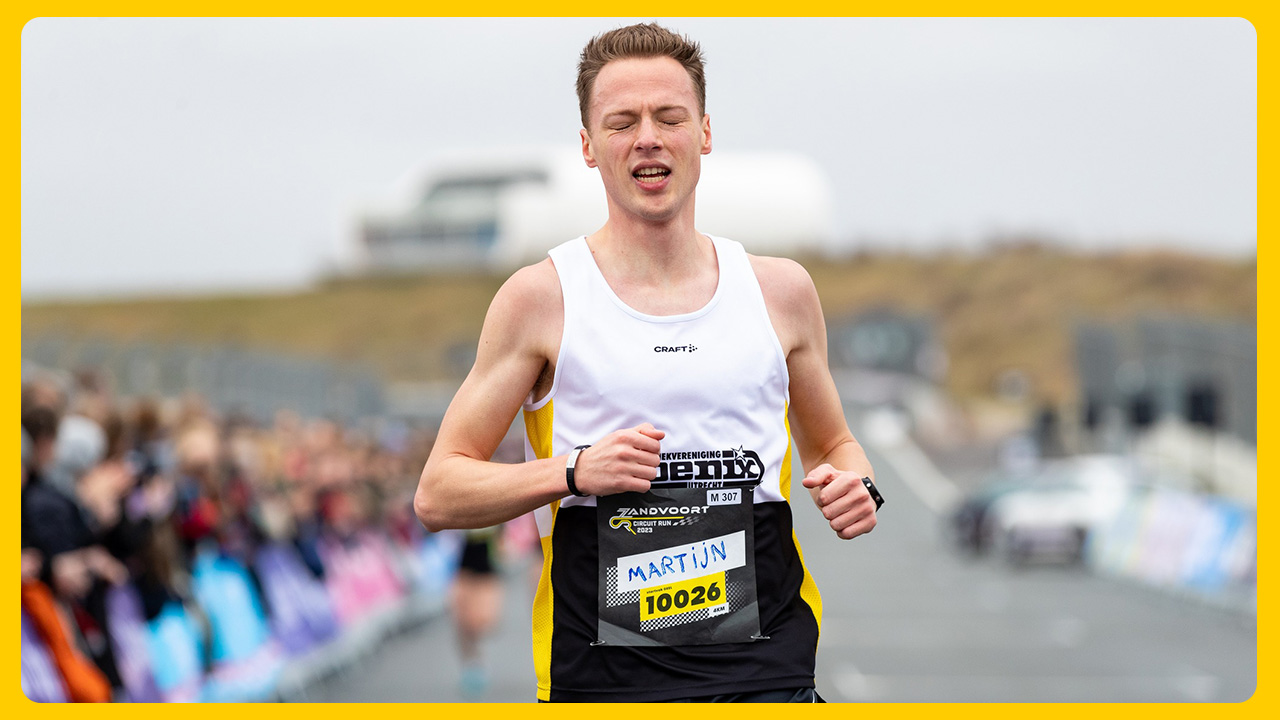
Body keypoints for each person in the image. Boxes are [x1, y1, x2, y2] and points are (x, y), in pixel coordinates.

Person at [415, 22, 880, 703]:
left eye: (669, 117)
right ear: (588, 146)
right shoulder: (542, 298)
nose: (648, 138)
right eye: (622, 122)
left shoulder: (781, 291)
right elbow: (438, 492)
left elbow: (836, 446)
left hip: (766, 673)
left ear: (705, 132)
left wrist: (857, 486)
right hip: (602, 682)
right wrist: (573, 471)